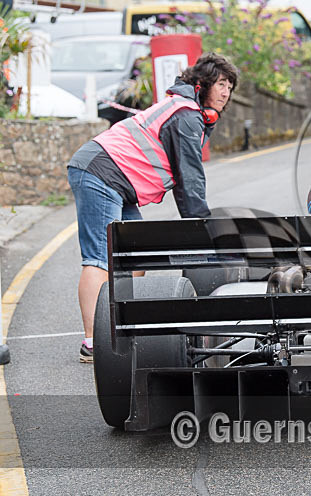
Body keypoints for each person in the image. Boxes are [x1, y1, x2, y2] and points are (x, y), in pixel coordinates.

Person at [67, 52, 238, 363]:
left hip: (117, 179)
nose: (226, 92)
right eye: (221, 83)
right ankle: (93, 342)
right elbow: (190, 183)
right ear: (201, 85)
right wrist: (205, 232)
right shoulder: (186, 115)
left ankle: (119, 326)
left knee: (133, 253)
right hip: (100, 172)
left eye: (230, 86)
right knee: (99, 257)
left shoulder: (186, 110)